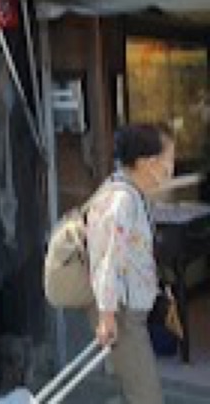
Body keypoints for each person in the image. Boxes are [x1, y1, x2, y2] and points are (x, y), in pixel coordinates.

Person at [86, 123, 175, 404]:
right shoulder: (121, 200)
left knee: (135, 391)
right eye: (169, 158)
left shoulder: (130, 193)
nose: (170, 167)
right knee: (146, 396)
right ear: (148, 163)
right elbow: (107, 260)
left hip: (129, 312)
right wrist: (107, 316)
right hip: (121, 315)